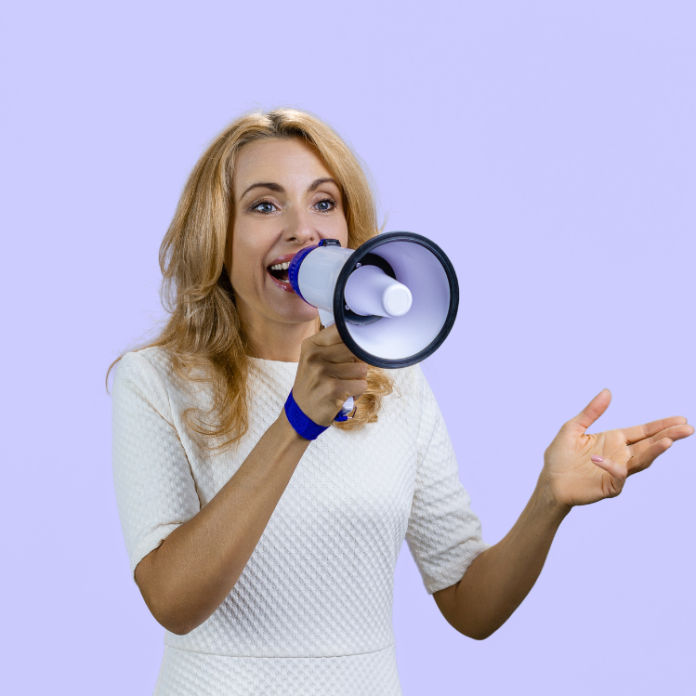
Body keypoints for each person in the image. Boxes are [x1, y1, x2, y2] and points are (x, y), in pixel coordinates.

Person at [108, 107, 693, 696]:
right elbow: (173, 602)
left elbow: (469, 604)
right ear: (216, 233)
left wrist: (549, 500)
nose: (303, 230)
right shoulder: (155, 381)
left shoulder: (395, 380)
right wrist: (296, 422)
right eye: (264, 205)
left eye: (324, 202)